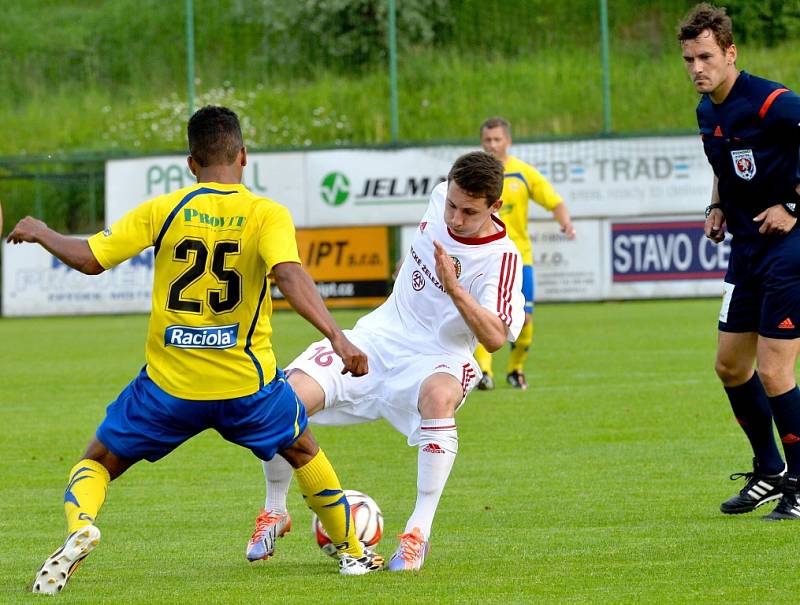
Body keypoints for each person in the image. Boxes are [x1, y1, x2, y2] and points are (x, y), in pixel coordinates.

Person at [8, 105, 383, 595]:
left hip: (169, 386)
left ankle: (81, 525)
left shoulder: (164, 210)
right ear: (243, 156)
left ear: (191, 163)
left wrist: (40, 231)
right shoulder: (265, 213)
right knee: (302, 448)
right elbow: (289, 275)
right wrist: (338, 337)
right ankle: (355, 554)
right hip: (246, 386)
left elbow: (91, 260)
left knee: (98, 461)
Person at [245, 151, 525, 571]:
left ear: (494, 207)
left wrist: (453, 288)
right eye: (451, 204)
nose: (455, 218)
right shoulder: (436, 201)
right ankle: (275, 509)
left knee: (438, 397)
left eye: (469, 211)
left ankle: (417, 533)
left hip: (439, 356)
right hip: (378, 337)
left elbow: (494, 337)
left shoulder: (502, 258)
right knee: (283, 400)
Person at [680, 3, 800, 520]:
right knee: (730, 366)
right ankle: (770, 470)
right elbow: (726, 165)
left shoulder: (772, 100)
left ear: (731, 53)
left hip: (790, 249)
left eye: (705, 57)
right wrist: (718, 206)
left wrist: (793, 205)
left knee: (774, 371)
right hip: (746, 249)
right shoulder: (708, 110)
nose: (697, 69)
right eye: (688, 60)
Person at [475, 117, 576, 391]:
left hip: (519, 258)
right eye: (488, 140)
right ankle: (483, 372)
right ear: (481, 142)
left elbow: (554, 201)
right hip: (484, 257)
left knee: (526, 317)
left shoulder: (522, 172)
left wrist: (564, 221)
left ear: (508, 141)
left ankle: (515, 369)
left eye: (497, 139)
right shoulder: (475, 174)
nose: (493, 145)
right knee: (484, 314)